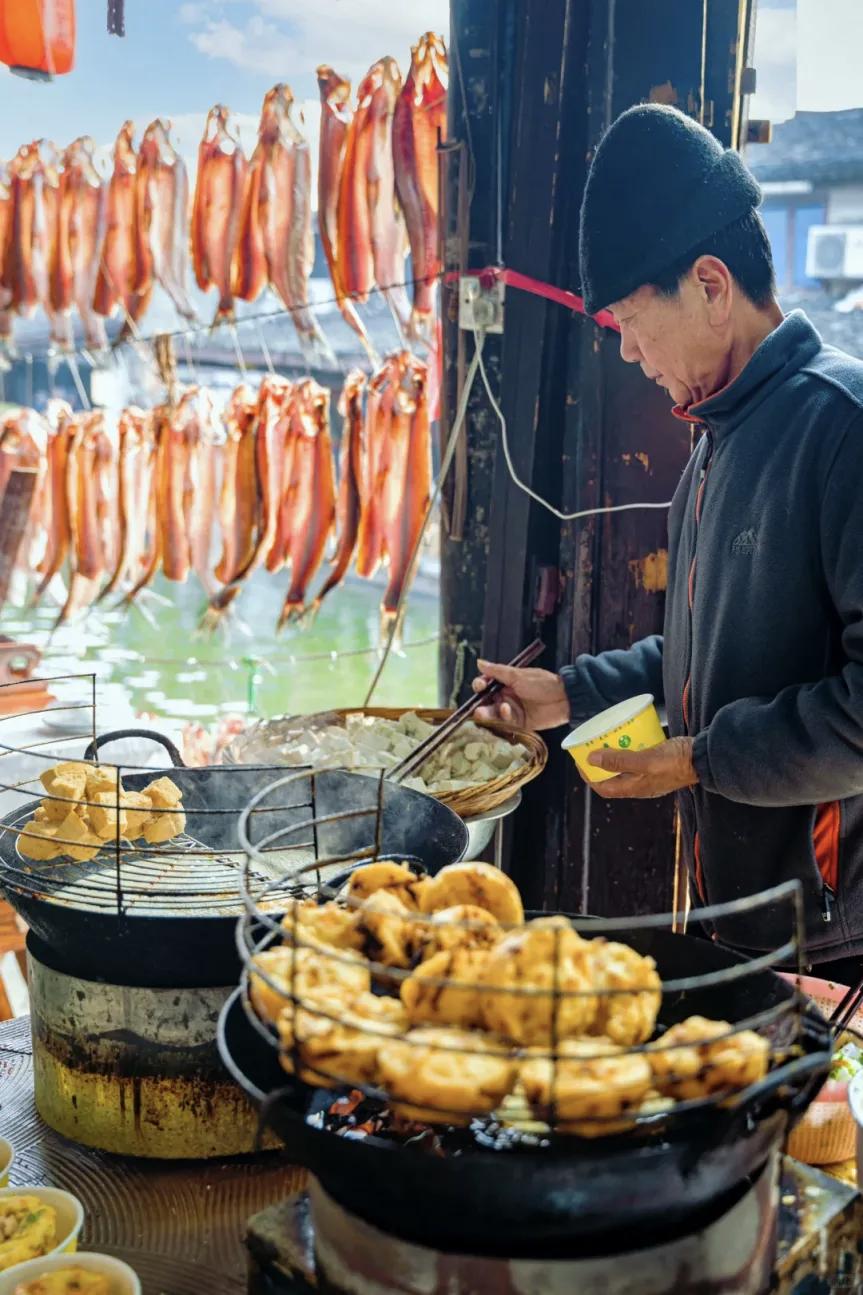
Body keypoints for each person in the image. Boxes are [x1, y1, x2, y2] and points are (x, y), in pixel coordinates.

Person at [475, 104, 863, 979]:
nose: (625, 353)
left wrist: (696, 759)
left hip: (839, 940)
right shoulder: (713, 445)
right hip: (745, 918)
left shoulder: (842, 427)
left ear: (711, 285)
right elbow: (701, 657)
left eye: (628, 322)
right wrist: (562, 693)